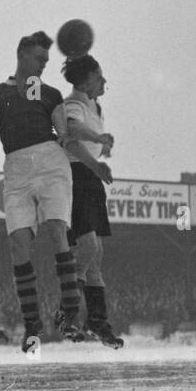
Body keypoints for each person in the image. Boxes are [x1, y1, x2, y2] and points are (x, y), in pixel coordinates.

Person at [0, 30, 85, 350]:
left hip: (51, 162)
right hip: (16, 167)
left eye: (47, 61)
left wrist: (73, 141)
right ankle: (32, 324)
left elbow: (63, 133)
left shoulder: (50, 95)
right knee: (18, 246)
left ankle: (69, 313)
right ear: (22, 54)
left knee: (56, 229)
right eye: (39, 58)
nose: (43, 65)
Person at [61, 53, 123, 348]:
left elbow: (89, 138)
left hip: (90, 178)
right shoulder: (72, 103)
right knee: (89, 248)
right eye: (99, 77)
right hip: (75, 176)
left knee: (96, 255)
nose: (104, 81)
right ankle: (68, 311)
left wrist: (103, 148)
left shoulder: (95, 106)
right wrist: (98, 148)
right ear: (85, 81)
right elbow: (72, 133)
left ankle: (97, 322)